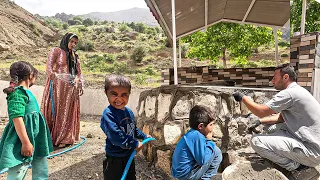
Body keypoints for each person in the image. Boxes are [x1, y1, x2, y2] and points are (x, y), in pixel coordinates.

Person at [233, 63, 320, 180]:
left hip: (311, 151)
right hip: (311, 145)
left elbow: (261, 111)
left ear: (285, 77)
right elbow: (281, 118)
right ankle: (294, 161)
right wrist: (260, 121)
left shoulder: (290, 93)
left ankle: (299, 168)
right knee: (270, 128)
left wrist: (243, 98)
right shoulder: (298, 91)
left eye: (275, 78)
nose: (272, 81)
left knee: (257, 141)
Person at [0, 61, 53, 179]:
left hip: (37, 139)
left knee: (41, 170)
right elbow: (17, 118)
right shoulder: (17, 94)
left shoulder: (26, 93)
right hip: (22, 141)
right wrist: (25, 143)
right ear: (30, 75)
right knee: (18, 172)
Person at [100, 74, 150, 180]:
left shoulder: (129, 112)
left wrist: (144, 136)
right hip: (114, 159)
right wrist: (135, 143)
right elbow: (116, 136)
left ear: (129, 94)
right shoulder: (108, 114)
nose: (119, 99)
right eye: (114, 94)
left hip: (128, 156)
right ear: (106, 93)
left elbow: (133, 129)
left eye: (124, 95)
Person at [41, 32, 84, 148]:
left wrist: (81, 84)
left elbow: (79, 73)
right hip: (57, 88)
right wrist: (52, 74)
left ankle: (66, 137)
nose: (73, 44)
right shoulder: (56, 51)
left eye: (75, 42)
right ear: (66, 40)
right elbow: (49, 66)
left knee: (67, 112)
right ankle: (53, 137)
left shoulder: (75, 56)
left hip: (71, 89)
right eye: (71, 41)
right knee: (57, 112)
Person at [171, 105, 222, 180]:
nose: (212, 127)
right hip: (184, 176)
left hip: (178, 173)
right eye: (211, 124)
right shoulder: (197, 136)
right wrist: (209, 140)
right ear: (201, 126)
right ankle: (206, 178)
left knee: (213, 150)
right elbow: (203, 161)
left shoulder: (192, 133)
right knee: (216, 152)